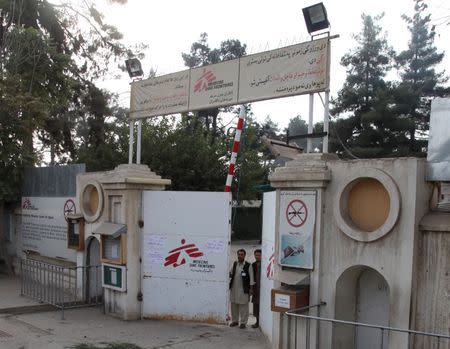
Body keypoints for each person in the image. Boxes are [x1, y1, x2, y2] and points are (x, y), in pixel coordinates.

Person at [229, 248, 254, 329]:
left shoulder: (248, 265)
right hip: (234, 288)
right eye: (239, 254)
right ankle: (235, 321)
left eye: (242, 255)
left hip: (243, 289)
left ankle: (243, 322)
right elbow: (230, 273)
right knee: (234, 305)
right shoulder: (235, 263)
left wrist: (251, 289)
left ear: (244, 255)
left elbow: (252, 278)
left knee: (243, 306)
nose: (240, 256)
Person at [251, 249, 261, 328]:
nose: (257, 257)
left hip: (263, 290)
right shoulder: (253, 265)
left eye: (259, 255)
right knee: (256, 306)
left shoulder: (265, 264)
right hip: (256, 289)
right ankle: (257, 322)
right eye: (256, 255)